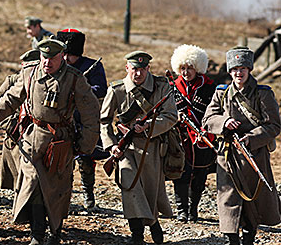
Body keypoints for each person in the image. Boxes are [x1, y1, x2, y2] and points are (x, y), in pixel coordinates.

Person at [0, 39, 100, 245]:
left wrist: (85, 145)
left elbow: (91, 113)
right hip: (32, 139)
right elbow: (12, 98)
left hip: (60, 142)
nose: (47, 62)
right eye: (44, 57)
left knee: (57, 189)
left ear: (62, 57)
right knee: (32, 185)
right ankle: (37, 234)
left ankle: (55, 232)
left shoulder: (75, 79)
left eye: (52, 58)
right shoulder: (29, 72)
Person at [202, 46, 281, 245]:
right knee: (227, 196)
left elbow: (274, 125)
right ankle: (231, 238)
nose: (239, 73)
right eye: (235, 69)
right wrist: (224, 122)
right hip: (227, 155)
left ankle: (248, 235)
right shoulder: (221, 93)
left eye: (243, 68)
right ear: (230, 71)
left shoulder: (263, 94)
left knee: (252, 199)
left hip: (254, 155)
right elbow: (208, 119)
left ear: (249, 70)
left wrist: (252, 138)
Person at [100, 51, 177, 245]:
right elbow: (104, 121)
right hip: (126, 149)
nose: (138, 74)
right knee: (130, 186)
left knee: (151, 191)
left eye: (143, 69)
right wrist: (111, 146)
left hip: (153, 146)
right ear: (127, 68)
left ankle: (153, 224)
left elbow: (171, 116)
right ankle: (137, 235)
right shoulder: (117, 89)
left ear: (148, 69)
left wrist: (149, 126)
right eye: (134, 69)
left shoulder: (161, 87)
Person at [53, 28, 107, 209]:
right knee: (61, 160)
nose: (67, 59)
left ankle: (88, 194)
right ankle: (62, 196)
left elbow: (101, 89)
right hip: (60, 120)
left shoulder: (93, 66)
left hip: (83, 120)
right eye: (64, 54)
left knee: (85, 160)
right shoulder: (56, 65)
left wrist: (80, 88)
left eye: (71, 55)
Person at [169, 44, 217, 223]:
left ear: (197, 68)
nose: (186, 72)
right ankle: (182, 210)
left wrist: (205, 128)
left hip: (202, 137)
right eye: (183, 68)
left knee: (200, 175)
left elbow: (215, 112)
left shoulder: (209, 87)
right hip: (180, 138)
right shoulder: (172, 87)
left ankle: (193, 209)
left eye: (190, 68)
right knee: (180, 172)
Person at [0, 49, 40, 190]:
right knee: (17, 175)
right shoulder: (12, 81)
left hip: (36, 134)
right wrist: (11, 125)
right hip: (14, 135)